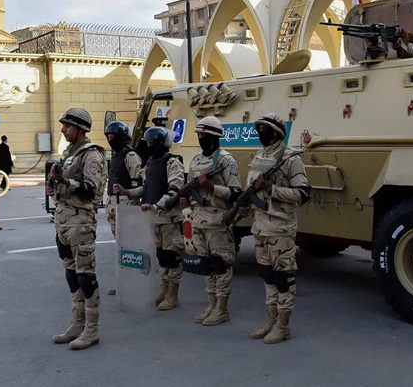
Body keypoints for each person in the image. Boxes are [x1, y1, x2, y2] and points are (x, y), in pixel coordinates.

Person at [240, 113, 310, 344]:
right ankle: (270, 320)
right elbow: (251, 190)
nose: (261, 133)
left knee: (283, 278)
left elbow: (303, 194)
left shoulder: (290, 159)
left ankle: (283, 325)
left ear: (276, 132)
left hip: (280, 229)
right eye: (259, 130)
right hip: (260, 228)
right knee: (267, 276)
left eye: (265, 129)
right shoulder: (259, 156)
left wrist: (272, 189)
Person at [46, 107, 106, 350]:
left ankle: (91, 330)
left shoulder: (92, 155)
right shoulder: (70, 153)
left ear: (80, 129)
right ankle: (77, 324)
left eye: (67, 126)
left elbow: (91, 190)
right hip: (63, 222)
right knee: (71, 274)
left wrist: (64, 182)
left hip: (81, 222)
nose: (63, 130)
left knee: (85, 275)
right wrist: (55, 187)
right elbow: (66, 185)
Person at [114, 126, 185, 311]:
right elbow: (146, 189)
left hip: (168, 218)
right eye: (147, 143)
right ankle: (164, 290)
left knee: (172, 256)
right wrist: (127, 192)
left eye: (151, 143)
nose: (148, 146)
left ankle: (172, 295)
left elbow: (174, 190)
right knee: (161, 257)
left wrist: (156, 206)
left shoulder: (172, 162)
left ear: (160, 143)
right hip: (154, 219)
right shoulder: (152, 162)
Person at [180, 116, 242, 326]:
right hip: (198, 220)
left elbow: (235, 193)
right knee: (206, 266)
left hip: (217, 221)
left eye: (204, 135)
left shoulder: (226, 160)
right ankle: (212, 304)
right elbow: (189, 187)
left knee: (221, 264)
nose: (200, 138)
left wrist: (211, 188)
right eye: (199, 134)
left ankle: (222, 308)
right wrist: (184, 199)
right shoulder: (196, 160)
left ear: (214, 137)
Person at [104, 121, 142, 238]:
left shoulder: (130, 156)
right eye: (108, 137)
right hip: (113, 202)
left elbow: (137, 184)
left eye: (112, 137)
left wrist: (130, 208)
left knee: (128, 238)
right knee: (119, 238)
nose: (110, 140)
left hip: (125, 201)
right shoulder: (116, 155)